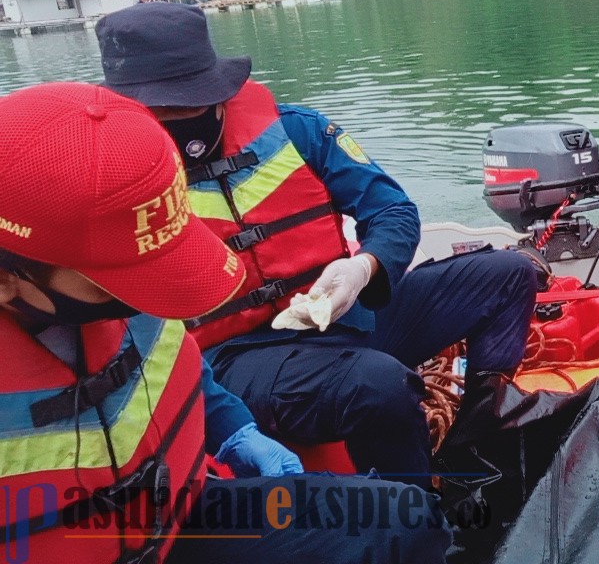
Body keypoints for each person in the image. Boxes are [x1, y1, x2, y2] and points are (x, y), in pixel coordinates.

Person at [0, 82, 449, 563]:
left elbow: (176, 364)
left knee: (404, 518)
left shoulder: (137, 285)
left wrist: (236, 431)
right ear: (8, 279)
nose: (145, 296)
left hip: (178, 516)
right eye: (118, 279)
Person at [95, 3, 537, 487]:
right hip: (237, 359)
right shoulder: (112, 186)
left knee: (508, 274)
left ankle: (471, 450)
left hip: (342, 317)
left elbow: (391, 211)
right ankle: (417, 520)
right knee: (377, 382)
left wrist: (363, 269)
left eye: (190, 103)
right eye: (159, 111)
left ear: (218, 88)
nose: (177, 120)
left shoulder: (296, 131)